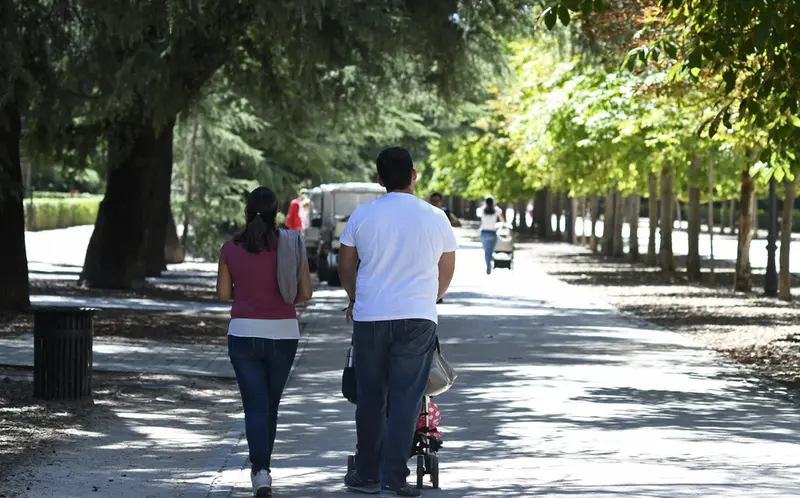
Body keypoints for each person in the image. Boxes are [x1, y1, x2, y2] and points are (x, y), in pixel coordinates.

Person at [338, 147, 458, 497]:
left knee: (371, 397)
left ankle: (366, 474)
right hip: (417, 318)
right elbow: (446, 268)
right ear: (414, 175)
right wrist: (430, 299)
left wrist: (354, 298)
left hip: (371, 318)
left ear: (379, 180)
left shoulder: (362, 216)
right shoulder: (436, 216)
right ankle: (395, 477)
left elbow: (347, 265)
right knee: (407, 399)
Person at [216, 186, 313, 497]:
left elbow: (223, 294)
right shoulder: (292, 243)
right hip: (283, 334)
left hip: (243, 333)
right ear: (277, 213)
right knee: (270, 404)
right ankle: (263, 469)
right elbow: (305, 294)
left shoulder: (231, 247)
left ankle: (261, 472)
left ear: (247, 211)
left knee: (255, 406)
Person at [479, 195, 505, 275]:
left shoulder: (482, 209)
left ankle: (488, 264)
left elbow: (479, 215)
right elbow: (502, 220)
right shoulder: (496, 210)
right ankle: (490, 261)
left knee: (486, 250)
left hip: (484, 232)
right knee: (491, 250)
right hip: (492, 232)